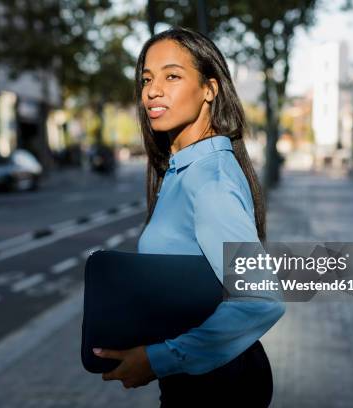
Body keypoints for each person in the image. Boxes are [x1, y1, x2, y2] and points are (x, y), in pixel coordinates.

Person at [93, 27, 286, 407]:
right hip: (201, 380)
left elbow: (262, 299)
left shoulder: (209, 180)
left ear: (210, 89)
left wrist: (157, 359)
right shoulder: (183, 169)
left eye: (172, 76)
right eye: (147, 79)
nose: (152, 90)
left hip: (218, 387)